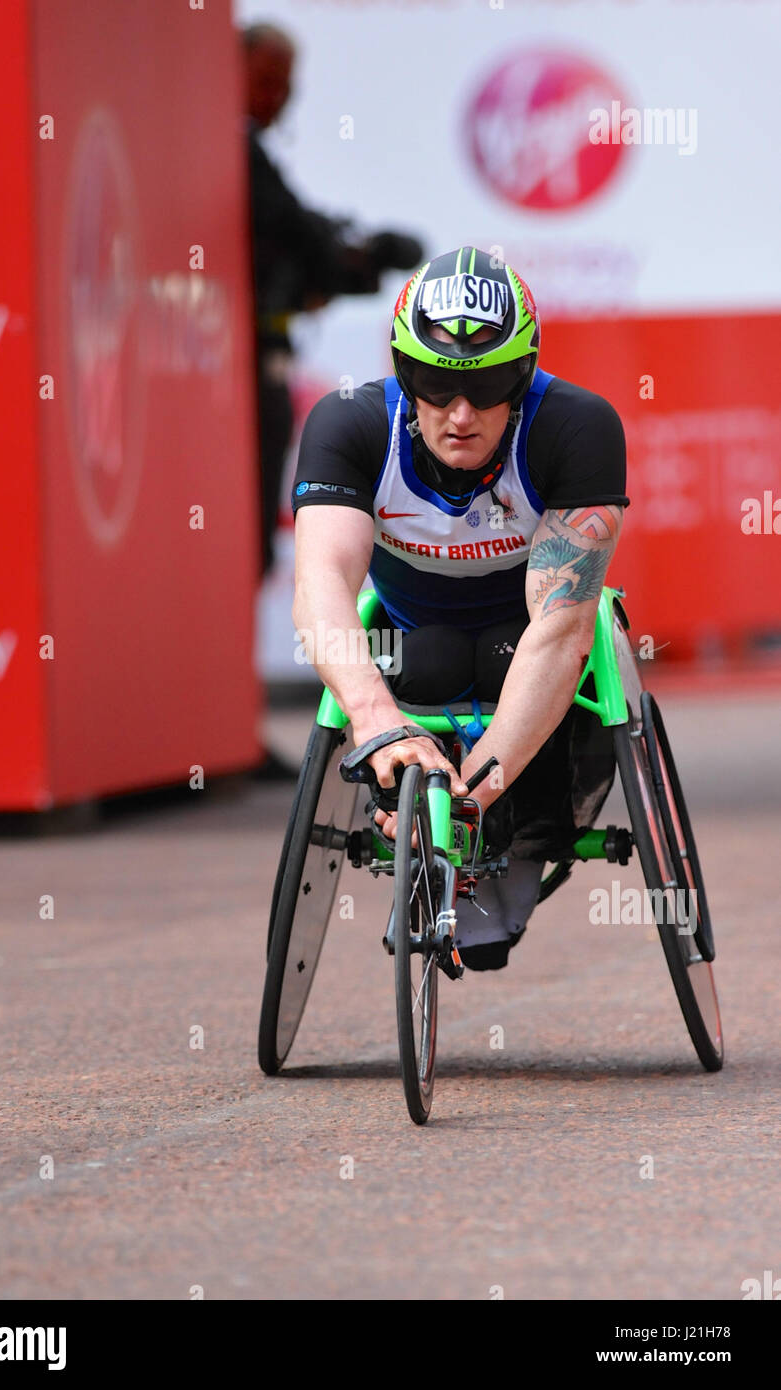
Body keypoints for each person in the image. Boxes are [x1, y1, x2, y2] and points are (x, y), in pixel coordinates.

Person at [290, 247, 628, 970]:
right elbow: (321, 584)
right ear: (404, 372)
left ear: (526, 373)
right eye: (436, 386)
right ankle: (404, 809)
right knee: (437, 657)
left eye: (490, 385)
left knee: (504, 653)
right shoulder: (349, 426)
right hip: (418, 635)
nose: (461, 413)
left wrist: (481, 784)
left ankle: (517, 838)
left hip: (524, 639)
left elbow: (562, 624)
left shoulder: (577, 427)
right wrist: (375, 723)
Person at [242, 22, 423, 577]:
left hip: (260, 351)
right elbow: (297, 233)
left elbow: (300, 235)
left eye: (285, 86)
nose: (276, 98)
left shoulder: (251, 157)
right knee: (247, 517)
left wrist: (348, 257)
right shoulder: (235, 151)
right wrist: (343, 257)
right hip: (240, 362)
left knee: (256, 518)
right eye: (265, 81)